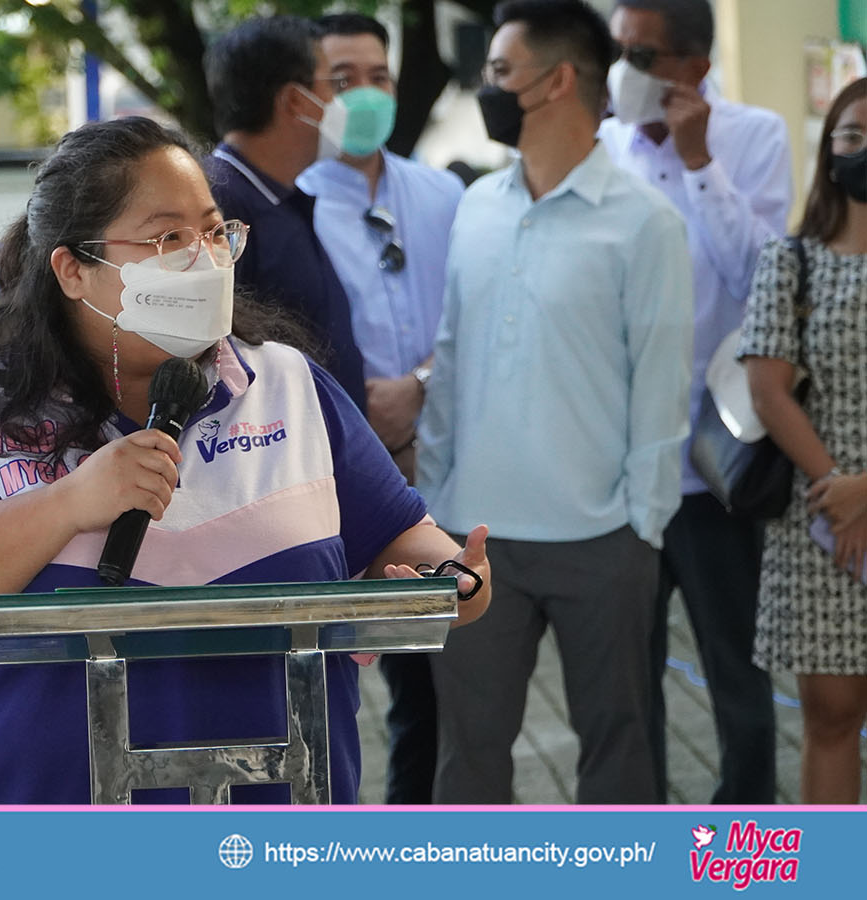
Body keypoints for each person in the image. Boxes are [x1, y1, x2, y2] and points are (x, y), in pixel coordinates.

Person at [0, 115, 492, 805]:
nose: (204, 257)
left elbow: (405, 540)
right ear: (72, 269)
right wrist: (66, 504)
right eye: (167, 238)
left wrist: (447, 575)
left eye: (215, 232)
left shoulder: (289, 386)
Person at [416, 0, 693, 804]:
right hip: (475, 537)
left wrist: (639, 527)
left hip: (600, 538)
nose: (487, 88)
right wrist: (432, 509)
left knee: (618, 751)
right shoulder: (475, 206)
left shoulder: (643, 223)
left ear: (559, 80)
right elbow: (452, 359)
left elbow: (659, 386)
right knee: (467, 757)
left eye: (500, 72)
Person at [598, 0, 788, 805]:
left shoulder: (755, 137)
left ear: (694, 68)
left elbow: (761, 280)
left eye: (642, 56)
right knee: (626, 687)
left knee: (737, 684)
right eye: (618, 52)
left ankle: (743, 844)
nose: (622, 73)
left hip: (713, 466)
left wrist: (699, 161)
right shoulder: (601, 144)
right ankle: (643, 839)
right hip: (620, 464)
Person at [297, 13, 465, 805]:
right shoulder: (289, 208)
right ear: (305, 96)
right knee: (341, 682)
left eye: (378, 76)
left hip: (444, 466)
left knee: (436, 692)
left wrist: (421, 383)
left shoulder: (442, 193)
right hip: (339, 478)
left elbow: (469, 317)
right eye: (342, 80)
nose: (364, 94)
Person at [741, 77, 867, 805]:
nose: (860, 148)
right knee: (830, 717)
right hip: (820, 526)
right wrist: (838, 492)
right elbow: (767, 388)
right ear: (827, 152)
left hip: (848, 503)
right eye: (849, 134)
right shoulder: (789, 261)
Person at [201, 16, 367, 411]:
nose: (341, 103)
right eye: (335, 85)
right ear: (295, 100)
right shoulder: (217, 207)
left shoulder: (275, 195)